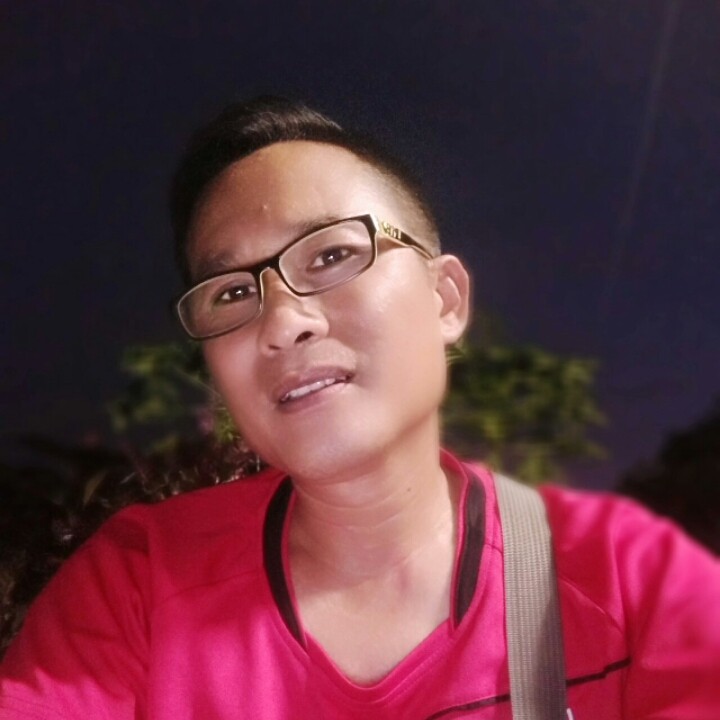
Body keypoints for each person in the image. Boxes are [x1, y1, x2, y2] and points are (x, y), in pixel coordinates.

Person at [1, 96, 719, 719]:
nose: (282, 322)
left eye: (331, 256)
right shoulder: (136, 587)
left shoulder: (630, 577)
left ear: (445, 299)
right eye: (233, 293)